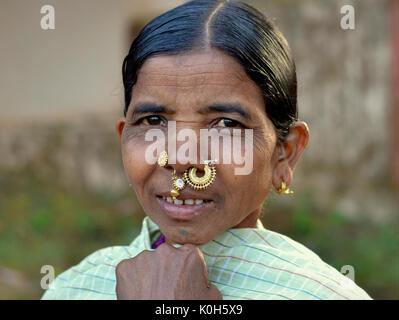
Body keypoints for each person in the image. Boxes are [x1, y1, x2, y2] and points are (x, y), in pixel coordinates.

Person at [42, 0, 371, 300]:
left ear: (284, 153)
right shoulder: (75, 287)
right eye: (153, 120)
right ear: (123, 139)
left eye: (226, 124)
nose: (182, 159)